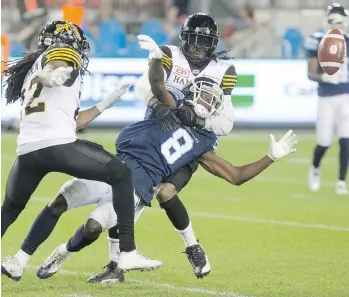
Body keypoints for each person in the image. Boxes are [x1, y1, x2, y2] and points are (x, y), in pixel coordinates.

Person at [30, 52, 297, 283]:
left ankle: (63, 252)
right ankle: (33, 255)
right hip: (114, 168)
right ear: (192, 94)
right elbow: (156, 83)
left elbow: (235, 176)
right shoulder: (173, 107)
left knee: (92, 227)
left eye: (211, 101)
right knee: (62, 198)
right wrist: (157, 58)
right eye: (203, 96)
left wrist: (270, 158)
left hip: (137, 187)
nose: (205, 103)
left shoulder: (204, 142)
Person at [1, 20, 161, 282]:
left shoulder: (31, 69)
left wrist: (106, 103)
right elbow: (56, 66)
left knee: (9, 210)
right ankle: (128, 251)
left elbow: (75, 121)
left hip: (28, 151)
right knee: (121, 174)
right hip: (58, 145)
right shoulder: (62, 55)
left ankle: (19, 261)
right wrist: (51, 74)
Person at [93, 13, 238, 280]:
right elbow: (142, 87)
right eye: (195, 40)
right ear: (184, 38)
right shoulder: (168, 54)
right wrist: (158, 104)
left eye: (205, 42)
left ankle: (192, 248)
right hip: (155, 136)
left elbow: (226, 123)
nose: (199, 47)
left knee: (165, 193)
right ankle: (116, 265)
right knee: (132, 200)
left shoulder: (224, 69)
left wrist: (196, 119)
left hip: (191, 143)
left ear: (213, 43)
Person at [305, 3, 349, 195]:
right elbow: (310, 73)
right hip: (326, 97)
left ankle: (341, 181)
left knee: (346, 140)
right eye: (333, 22)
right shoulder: (317, 40)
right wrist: (324, 76)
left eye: (340, 22)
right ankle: (315, 168)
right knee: (324, 142)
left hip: (346, 96)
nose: (337, 26)